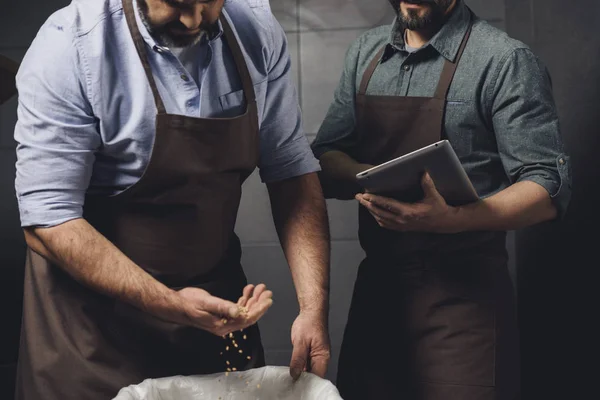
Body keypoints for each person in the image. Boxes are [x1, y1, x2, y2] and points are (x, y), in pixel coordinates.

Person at [13, 0, 331, 399]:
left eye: (209, 2)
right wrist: (170, 304)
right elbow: (49, 220)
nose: (194, 20)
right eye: (178, 4)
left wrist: (313, 309)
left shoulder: (255, 27)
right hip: (92, 336)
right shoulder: (70, 44)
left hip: (215, 317)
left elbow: (290, 170)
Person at [311, 0, 571, 399]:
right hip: (378, 301)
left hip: (464, 303)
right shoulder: (366, 52)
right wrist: (367, 178)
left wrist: (456, 218)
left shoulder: (504, 59)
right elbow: (327, 153)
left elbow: (546, 187)